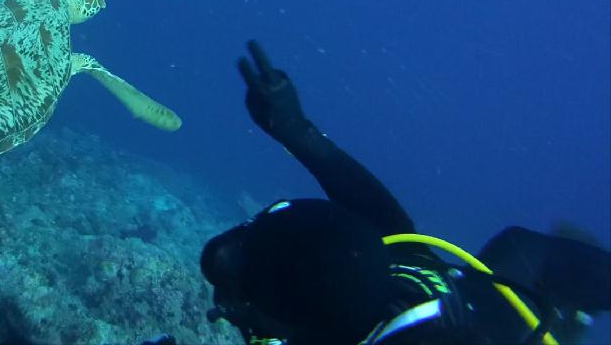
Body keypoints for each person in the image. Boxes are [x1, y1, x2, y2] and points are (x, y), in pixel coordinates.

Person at [200, 40, 611, 344]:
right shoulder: (389, 268)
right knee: (520, 250)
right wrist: (297, 131)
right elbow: (383, 218)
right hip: (500, 300)